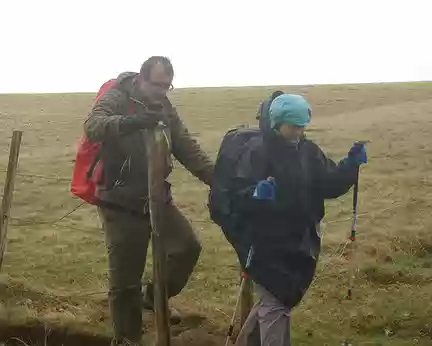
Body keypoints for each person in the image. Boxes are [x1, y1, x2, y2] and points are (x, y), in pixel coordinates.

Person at [210, 93, 368, 346]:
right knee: (276, 303)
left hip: (299, 242)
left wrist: (350, 166)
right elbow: (234, 200)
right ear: (276, 123)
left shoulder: (307, 150)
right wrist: (255, 194)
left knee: (277, 300)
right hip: (263, 243)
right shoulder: (256, 152)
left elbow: (327, 184)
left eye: (302, 126)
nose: (298, 132)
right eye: (293, 126)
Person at [84, 56, 214, 346]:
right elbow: (93, 126)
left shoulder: (165, 106)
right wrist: (133, 123)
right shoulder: (118, 96)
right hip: (119, 201)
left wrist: (218, 181)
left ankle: (151, 297)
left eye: (168, 86)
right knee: (125, 282)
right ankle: (128, 340)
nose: (162, 92)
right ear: (141, 79)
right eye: (158, 85)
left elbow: (186, 146)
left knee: (187, 248)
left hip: (157, 196)